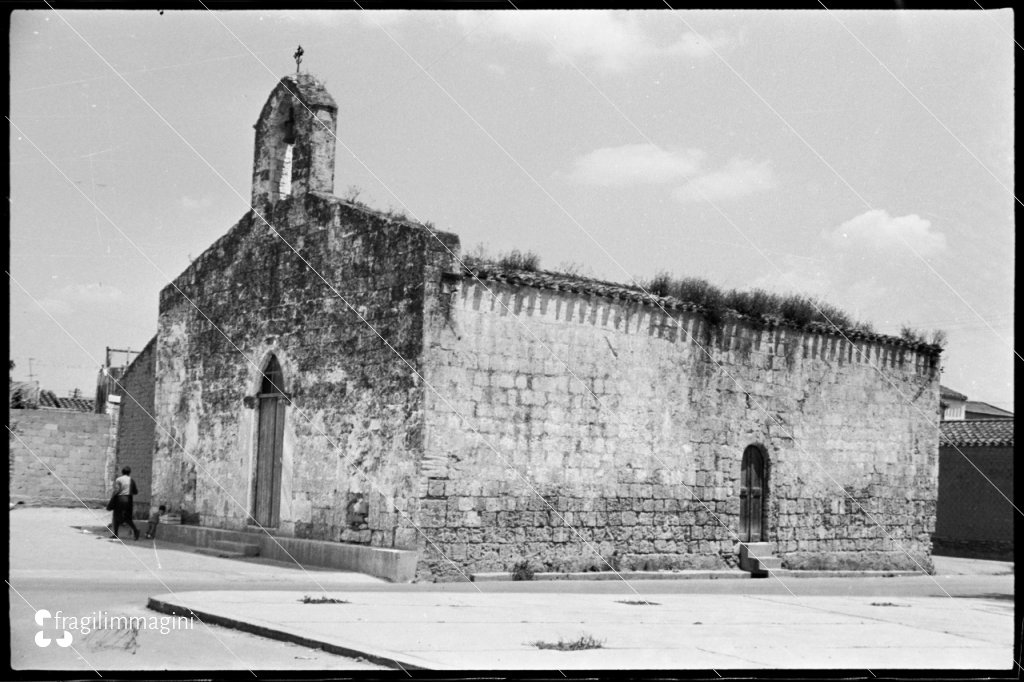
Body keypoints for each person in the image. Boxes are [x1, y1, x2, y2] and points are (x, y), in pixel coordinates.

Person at [109, 466, 140, 540]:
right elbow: (136, 492)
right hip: (129, 500)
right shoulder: (131, 480)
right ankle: (135, 530)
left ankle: (116, 534)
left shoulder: (119, 479)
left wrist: (112, 499)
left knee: (116, 516)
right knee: (127, 517)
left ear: (122, 472)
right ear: (129, 473)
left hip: (120, 499)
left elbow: (116, 490)